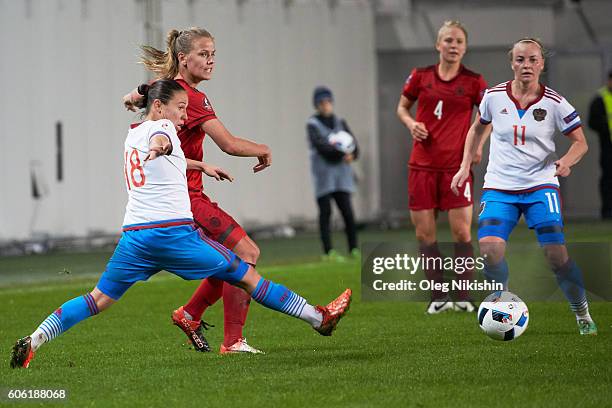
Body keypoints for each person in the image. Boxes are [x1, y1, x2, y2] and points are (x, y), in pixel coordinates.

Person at [10, 79, 352, 369]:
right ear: (159, 107)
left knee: (97, 299)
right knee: (247, 274)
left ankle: (35, 339)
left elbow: (163, 152)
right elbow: (161, 142)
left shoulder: (132, 135)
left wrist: (199, 166)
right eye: (181, 109)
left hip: (134, 238)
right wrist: (162, 147)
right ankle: (319, 319)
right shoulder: (162, 129)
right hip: (173, 235)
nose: (185, 116)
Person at [123, 28, 271, 354]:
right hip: (187, 199)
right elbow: (229, 145)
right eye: (204, 54)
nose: (211, 60)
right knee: (247, 255)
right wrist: (263, 148)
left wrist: (137, 92)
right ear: (183, 58)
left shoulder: (169, 91)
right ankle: (233, 342)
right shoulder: (192, 97)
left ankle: (190, 314)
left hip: (183, 197)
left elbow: (135, 96)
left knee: (226, 260)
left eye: (213, 54)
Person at [451, 38, 597, 335]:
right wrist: (465, 165)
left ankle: (582, 313)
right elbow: (477, 128)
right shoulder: (493, 97)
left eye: (532, 59)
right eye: (520, 59)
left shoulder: (555, 103)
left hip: (540, 186)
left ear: (542, 64)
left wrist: (567, 161)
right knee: (490, 249)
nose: (526, 65)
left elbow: (580, 142)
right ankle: (500, 305)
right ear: (511, 63)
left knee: (556, 256)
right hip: (499, 187)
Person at [396, 21, 488, 314]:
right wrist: (412, 124)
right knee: (425, 235)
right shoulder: (420, 76)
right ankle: (438, 295)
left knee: (462, 233)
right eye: (448, 40)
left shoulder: (474, 81)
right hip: (421, 167)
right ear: (438, 45)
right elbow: (402, 107)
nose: (453, 45)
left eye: (459, 41)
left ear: (465, 47)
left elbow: (489, 118)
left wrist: (477, 146)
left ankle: (462, 295)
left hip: (455, 169)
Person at [307, 86, 360, 261]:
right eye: (322, 102)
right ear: (317, 105)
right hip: (324, 177)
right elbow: (322, 148)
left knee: (348, 213)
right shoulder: (312, 124)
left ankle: (354, 249)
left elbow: (354, 146)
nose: (326, 105)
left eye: (328, 101)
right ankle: (328, 252)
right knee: (326, 214)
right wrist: (341, 152)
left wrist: (353, 154)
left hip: (342, 177)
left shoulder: (340, 122)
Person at [587, 70, 612, 219]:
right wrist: (605, 128)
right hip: (608, 145)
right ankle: (608, 211)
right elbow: (593, 122)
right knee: (608, 178)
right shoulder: (600, 99)